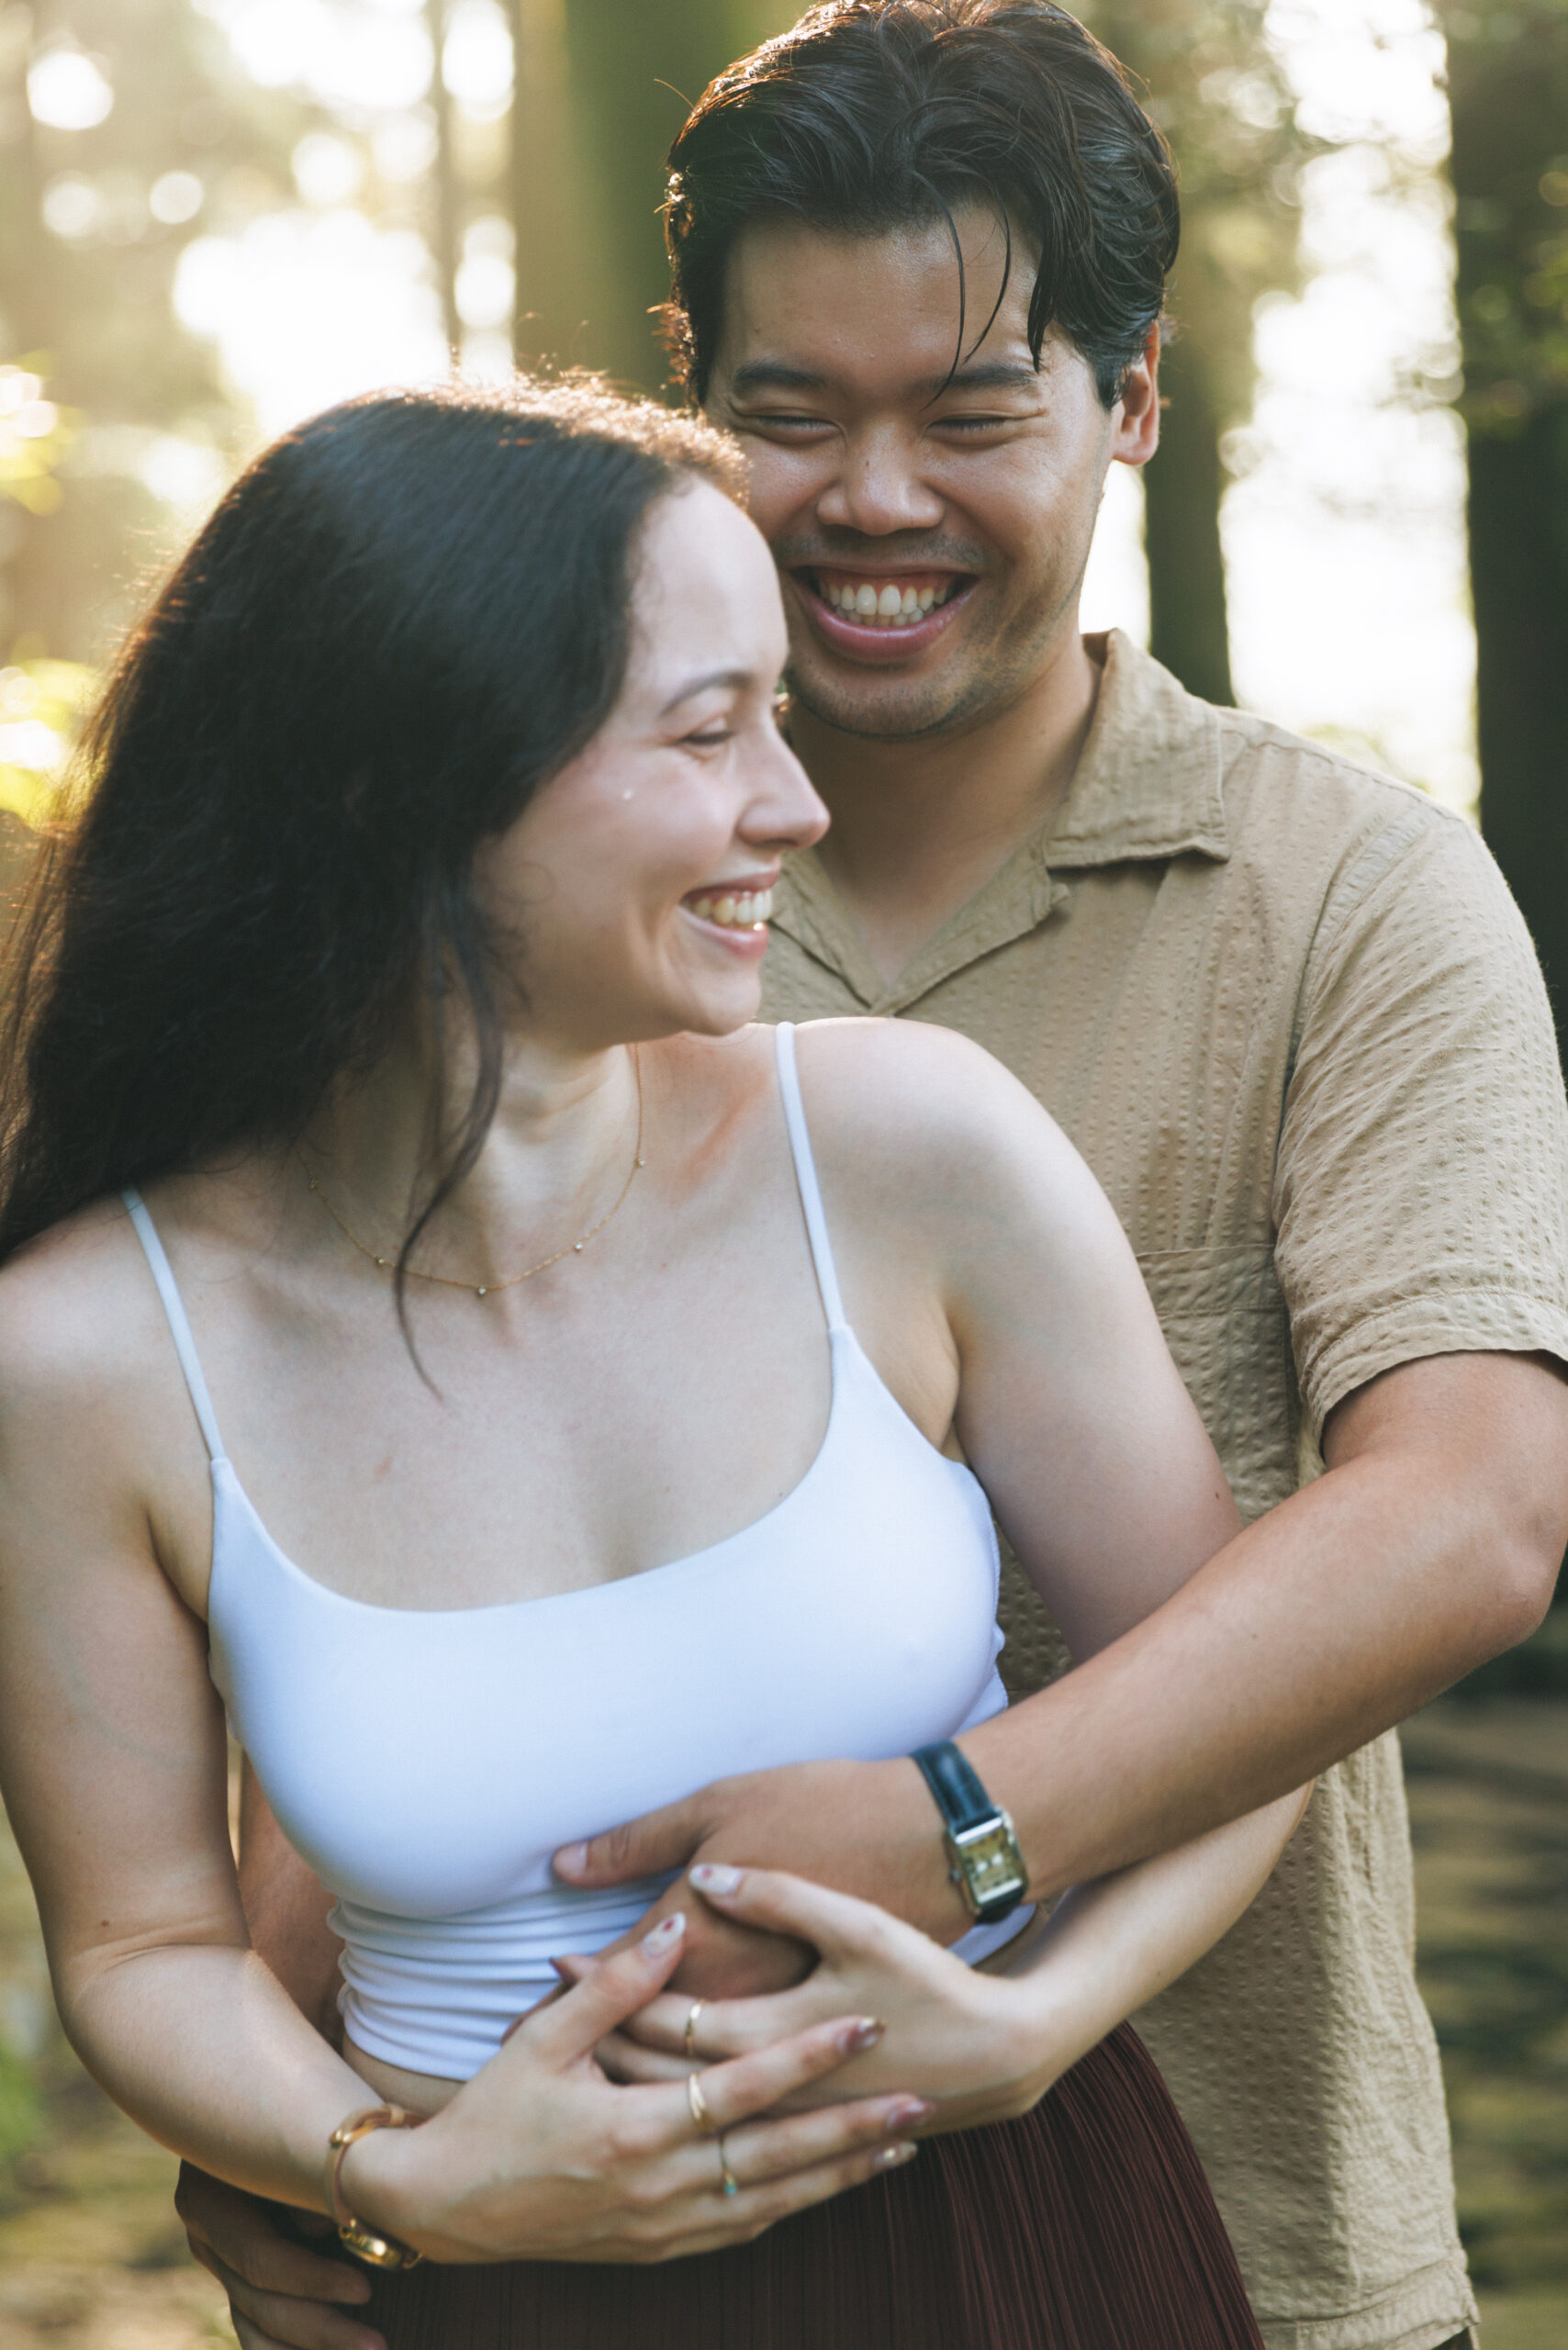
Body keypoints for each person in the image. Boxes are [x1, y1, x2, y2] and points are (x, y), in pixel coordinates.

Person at [190, 7, 1568, 2350]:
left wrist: (959, 1813)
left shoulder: (1344, 893)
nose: (870, 499)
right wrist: (283, 2112)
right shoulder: (536, 905)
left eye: (969, 412)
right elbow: (363, 1493)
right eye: (788, 413)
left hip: (1240, 2217)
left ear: (1128, 400)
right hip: (569, 2238)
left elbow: (1467, 1512)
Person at [0, 377, 1313, 2349]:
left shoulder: (909, 1151)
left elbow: (1238, 1701)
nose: (791, 800)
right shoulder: (87, 1353)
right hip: (502, 2292)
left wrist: (1030, 2024)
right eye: (708, 731)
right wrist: (383, 2167)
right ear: (399, 784)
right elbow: (141, 1937)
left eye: (775, 715)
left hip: (1015, 2240)